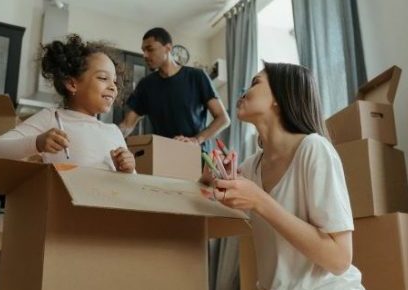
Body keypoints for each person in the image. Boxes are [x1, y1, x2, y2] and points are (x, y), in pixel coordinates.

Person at [201, 62, 365, 289]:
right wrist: (209, 176)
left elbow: (339, 260)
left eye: (255, 83)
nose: (244, 92)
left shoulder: (314, 149)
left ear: (279, 97)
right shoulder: (252, 166)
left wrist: (260, 200)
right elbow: (214, 203)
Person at [0, 34, 135, 173]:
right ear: (72, 84)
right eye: (103, 78)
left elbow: (130, 186)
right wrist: (37, 143)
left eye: (115, 81)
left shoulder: (114, 132)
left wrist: (128, 169)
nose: (113, 86)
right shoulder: (53, 118)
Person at [119, 27, 229, 152]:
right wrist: (107, 135)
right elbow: (127, 125)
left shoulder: (197, 76)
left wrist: (196, 140)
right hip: (162, 158)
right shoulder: (145, 85)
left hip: (196, 157)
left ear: (168, 48)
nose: (145, 55)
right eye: (143, 50)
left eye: (150, 49)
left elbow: (223, 118)